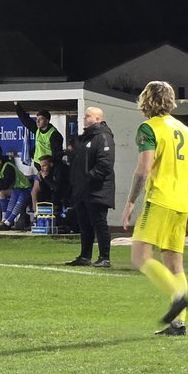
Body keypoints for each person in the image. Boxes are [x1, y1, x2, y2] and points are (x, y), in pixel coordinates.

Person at [121, 81, 188, 336]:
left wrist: (131, 201)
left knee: (139, 256)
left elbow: (144, 169)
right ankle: (179, 324)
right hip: (180, 204)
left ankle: (178, 295)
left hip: (159, 201)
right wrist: (184, 195)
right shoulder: (184, 129)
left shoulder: (149, 128)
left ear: (146, 100)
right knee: (174, 265)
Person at [66, 107, 116, 267]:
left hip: (97, 189)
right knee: (85, 223)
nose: (84, 118)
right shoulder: (85, 138)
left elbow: (105, 164)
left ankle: (104, 257)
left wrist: (89, 178)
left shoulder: (103, 136)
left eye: (87, 116)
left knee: (99, 222)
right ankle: (85, 256)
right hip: (83, 190)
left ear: (97, 119)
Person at [15, 103, 64, 173]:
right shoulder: (37, 129)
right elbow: (25, 120)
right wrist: (17, 106)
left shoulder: (54, 135)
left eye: (40, 119)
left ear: (47, 121)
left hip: (48, 167)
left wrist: (52, 167)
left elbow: (57, 155)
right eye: (37, 119)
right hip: (38, 164)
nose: (37, 121)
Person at [30, 154, 69, 228]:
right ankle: (37, 217)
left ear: (50, 164)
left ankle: (59, 219)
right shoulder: (42, 173)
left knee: (55, 196)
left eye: (44, 166)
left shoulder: (59, 170)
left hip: (63, 194)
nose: (42, 169)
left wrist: (46, 178)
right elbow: (34, 192)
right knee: (37, 194)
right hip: (50, 194)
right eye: (41, 166)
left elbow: (57, 188)